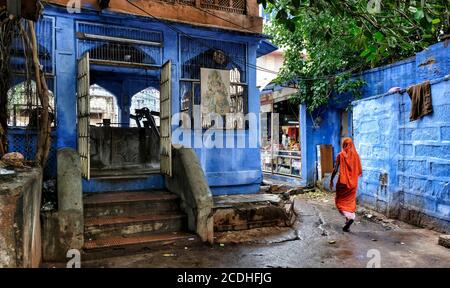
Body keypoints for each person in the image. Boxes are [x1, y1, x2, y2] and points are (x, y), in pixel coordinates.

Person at [329, 137, 362, 232]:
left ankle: (349, 216)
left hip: (343, 183)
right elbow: (358, 170)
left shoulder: (340, 155)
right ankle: (348, 219)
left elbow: (335, 169)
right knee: (350, 201)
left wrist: (331, 180)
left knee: (340, 201)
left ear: (343, 145)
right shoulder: (356, 156)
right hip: (353, 184)